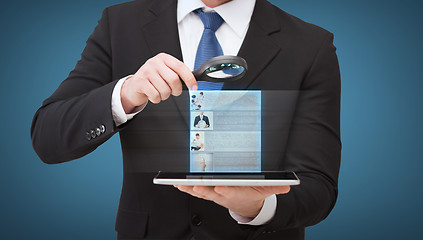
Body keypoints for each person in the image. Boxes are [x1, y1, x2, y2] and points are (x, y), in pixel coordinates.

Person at [31, 0, 341, 239]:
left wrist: (256, 207)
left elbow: (319, 187)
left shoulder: (310, 46)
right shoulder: (120, 23)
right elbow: (48, 138)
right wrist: (126, 93)